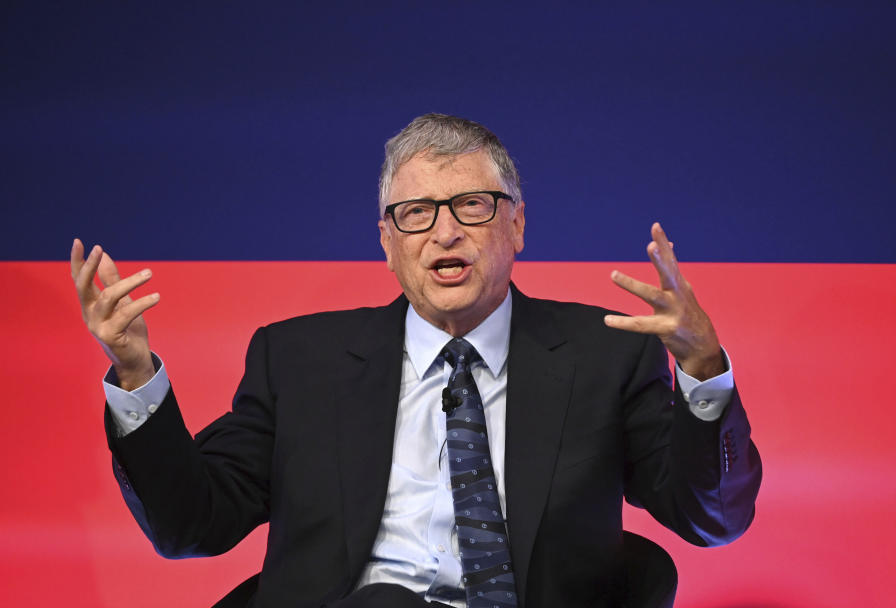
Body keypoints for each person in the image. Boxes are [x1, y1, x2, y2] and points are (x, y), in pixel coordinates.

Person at [70, 113, 761, 608]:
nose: (445, 231)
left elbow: (711, 518)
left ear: (517, 225)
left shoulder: (605, 353)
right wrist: (136, 375)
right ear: (387, 241)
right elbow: (195, 524)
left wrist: (703, 372)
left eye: (471, 205)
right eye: (417, 213)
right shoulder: (299, 359)